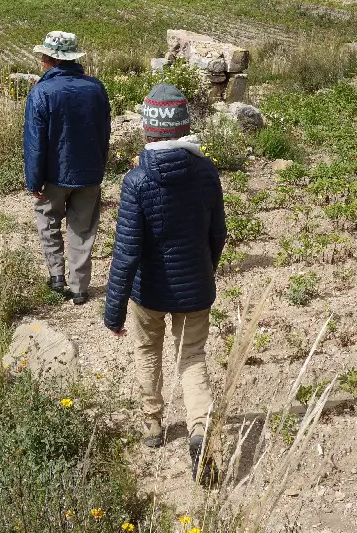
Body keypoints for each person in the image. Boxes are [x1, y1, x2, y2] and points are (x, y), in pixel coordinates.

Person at [103, 83, 226, 482]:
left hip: (148, 292)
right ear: (185, 126)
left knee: (146, 350)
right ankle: (200, 431)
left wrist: (113, 309)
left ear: (147, 129)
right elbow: (218, 234)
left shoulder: (137, 182)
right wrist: (207, 268)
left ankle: (152, 424)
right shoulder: (206, 172)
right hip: (194, 287)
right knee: (191, 358)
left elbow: (126, 253)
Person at [23, 31, 111, 305]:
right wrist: (99, 167)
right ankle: (79, 288)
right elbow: (105, 132)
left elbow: (35, 143)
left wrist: (34, 181)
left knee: (48, 223)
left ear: (48, 58)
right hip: (88, 173)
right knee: (82, 230)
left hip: (52, 175)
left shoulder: (41, 92)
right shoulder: (96, 88)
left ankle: (57, 277)